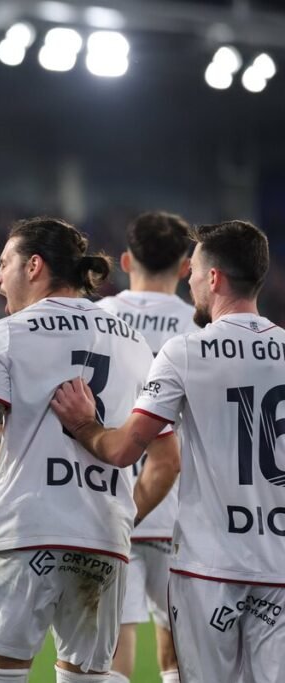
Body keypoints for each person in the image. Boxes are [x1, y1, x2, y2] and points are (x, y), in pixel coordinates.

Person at [0, 217, 180, 683]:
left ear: (34, 265)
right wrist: (124, 521)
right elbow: (166, 459)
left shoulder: (8, 334)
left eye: (4, 263)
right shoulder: (132, 342)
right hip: (103, 540)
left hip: (25, 536)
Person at [51, 220, 283, 683]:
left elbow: (122, 450)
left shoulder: (187, 352)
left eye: (195, 271)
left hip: (209, 567)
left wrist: (82, 424)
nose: (191, 280)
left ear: (214, 278)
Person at [95, 211, 197, 683]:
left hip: (109, 502)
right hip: (182, 509)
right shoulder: (201, 326)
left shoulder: (100, 318)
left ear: (124, 260)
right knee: (179, 648)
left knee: (115, 644)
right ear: (185, 268)